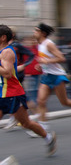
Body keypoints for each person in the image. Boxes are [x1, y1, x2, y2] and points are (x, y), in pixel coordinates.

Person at [0, 24, 57, 156]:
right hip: (2, 93)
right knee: (25, 123)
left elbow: (7, 73)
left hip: (12, 93)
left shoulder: (7, 52)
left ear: (2, 37)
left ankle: (48, 138)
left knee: (26, 123)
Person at [34, 23, 71, 132]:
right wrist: (41, 66)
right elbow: (45, 60)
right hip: (46, 76)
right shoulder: (40, 44)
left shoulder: (49, 44)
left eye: (36, 30)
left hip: (57, 76)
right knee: (41, 101)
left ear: (42, 33)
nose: (34, 32)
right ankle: (43, 127)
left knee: (64, 101)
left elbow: (61, 58)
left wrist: (46, 61)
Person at [3, 30, 35, 130]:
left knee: (20, 98)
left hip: (17, 76)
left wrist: (24, 65)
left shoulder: (16, 46)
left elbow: (31, 54)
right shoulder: (4, 48)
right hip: (6, 80)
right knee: (17, 99)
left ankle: (31, 119)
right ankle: (18, 118)